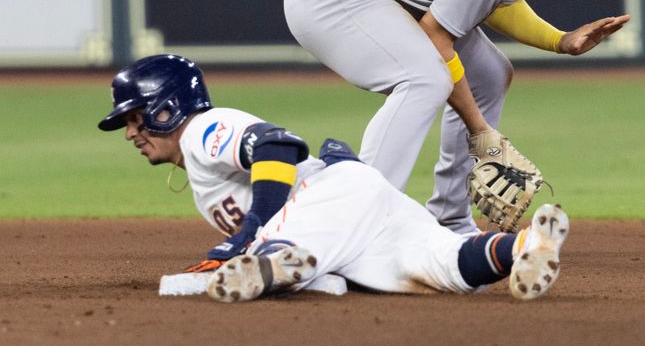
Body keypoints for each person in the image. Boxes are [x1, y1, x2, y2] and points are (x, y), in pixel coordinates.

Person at [283, 0, 630, 234]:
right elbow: (437, 36)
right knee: (424, 78)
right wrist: (481, 132)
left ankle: (451, 219)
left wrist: (560, 40)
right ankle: (356, 223)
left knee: (489, 75)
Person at [97, 54, 569, 302]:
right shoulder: (199, 152)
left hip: (330, 196)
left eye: (135, 118)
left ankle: (277, 262)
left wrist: (251, 230)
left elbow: (276, 145)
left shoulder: (203, 128)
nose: (130, 133)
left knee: (273, 248)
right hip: (360, 208)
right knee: (445, 265)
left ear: (167, 108)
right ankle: (523, 247)